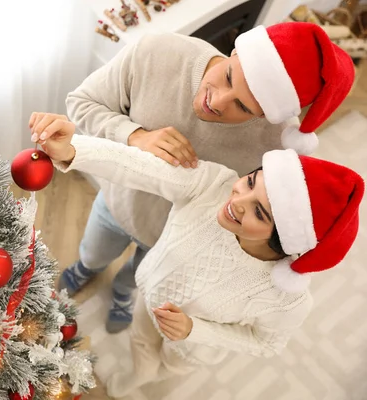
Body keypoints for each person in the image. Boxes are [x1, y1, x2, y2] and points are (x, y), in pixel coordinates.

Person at [44, 22, 355, 333]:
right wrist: (133, 136)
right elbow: (80, 103)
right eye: (229, 77)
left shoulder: (278, 145)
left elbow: (273, 222)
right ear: (235, 50)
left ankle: (123, 292)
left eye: (243, 106)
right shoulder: (156, 52)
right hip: (117, 203)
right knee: (94, 251)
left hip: (171, 238)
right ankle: (86, 268)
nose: (216, 102)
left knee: (140, 274)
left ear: (265, 116)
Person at [29, 112, 364, 397]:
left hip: (191, 346)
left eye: (259, 213)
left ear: (285, 243)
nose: (236, 201)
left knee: (168, 365)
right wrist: (75, 149)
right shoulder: (213, 185)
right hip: (149, 300)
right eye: (250, 182)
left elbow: (266, 343)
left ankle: (147, 377)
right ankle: (135, 377)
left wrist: (194, 331)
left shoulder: (286, 299)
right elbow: (141, 168)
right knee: (141, 346)